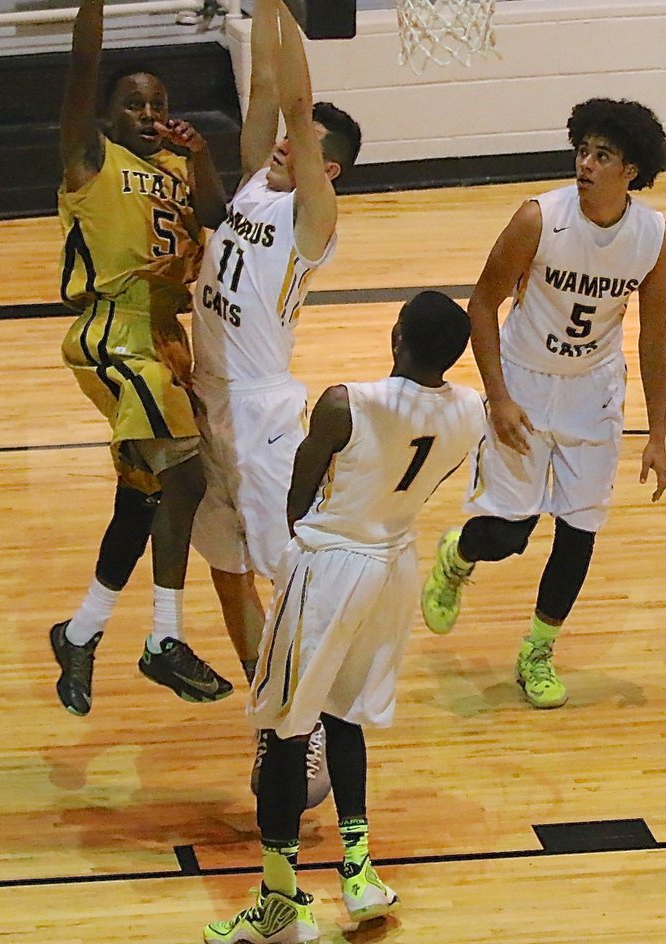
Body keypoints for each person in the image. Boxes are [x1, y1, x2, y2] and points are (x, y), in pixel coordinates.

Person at [202, 291, 486, 944]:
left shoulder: (344, 404)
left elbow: (297, 497)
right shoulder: (470, 409)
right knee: (345, 716)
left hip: (331, 565)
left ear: (396, 337)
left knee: (284, 730)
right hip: (394, 565)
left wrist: (315, 550)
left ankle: (279, 904)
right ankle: (358, 874)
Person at [421, 98, 666, 710]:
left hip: (594, 392)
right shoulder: (538, 218)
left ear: (631, 170)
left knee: (579, 531)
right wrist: (498, 396)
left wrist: (658, 434)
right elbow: (482, 303)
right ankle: (458, 554)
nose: (585, 164)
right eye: (582, 151)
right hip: (526, 382)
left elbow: (654, 336)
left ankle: (537, 651)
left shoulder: (656, 239)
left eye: (602, 155)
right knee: (509, 534)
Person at [50, 0, 233, 716]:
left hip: (165, 340)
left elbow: (219, 220)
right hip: (112, 333)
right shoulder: (92, 159)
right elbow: (82, 67)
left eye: (158, 103)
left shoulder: (175, 170)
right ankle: (163, 639)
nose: (148, 112)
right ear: (108, 116)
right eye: (133, 104)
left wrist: (201, 156)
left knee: (147, 497)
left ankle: (82, 631)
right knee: (186, 475)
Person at [189, 0, 362, 684]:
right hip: (209, 396)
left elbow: (293, 101)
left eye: (302, 145)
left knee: (287, 570)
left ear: (329, 168)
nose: (285, 145)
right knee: (226, 567)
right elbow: (265, 84)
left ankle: (318, 700)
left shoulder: (311, 219)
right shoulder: (258, 181)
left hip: (259, 411)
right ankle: (269, 701)